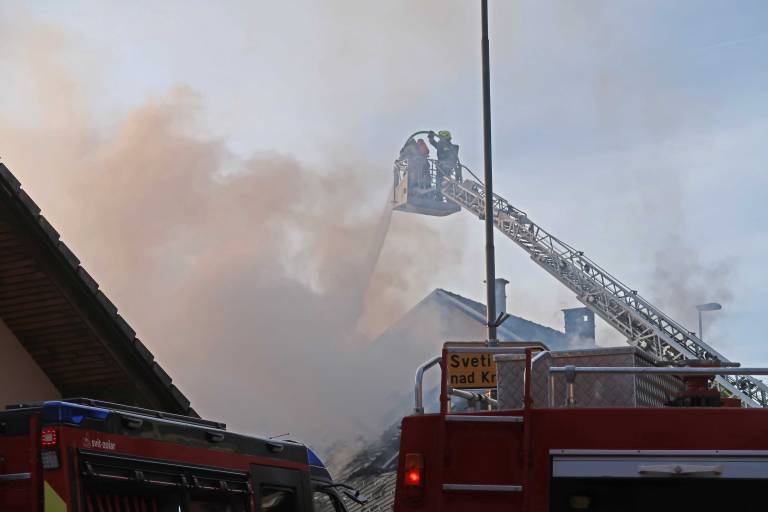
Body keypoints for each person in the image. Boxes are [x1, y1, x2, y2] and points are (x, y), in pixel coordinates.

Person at [428, 130, 460, 199]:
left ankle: (442, 196)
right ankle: (440, 197)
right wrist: (431, 137)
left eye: (440, 138)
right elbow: (433, 142)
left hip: (445, 167)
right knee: (441, 181)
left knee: (442, 181)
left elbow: (453, 158)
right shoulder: (442, 145)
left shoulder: (451, 147)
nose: (440, 140)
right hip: (442, 167)